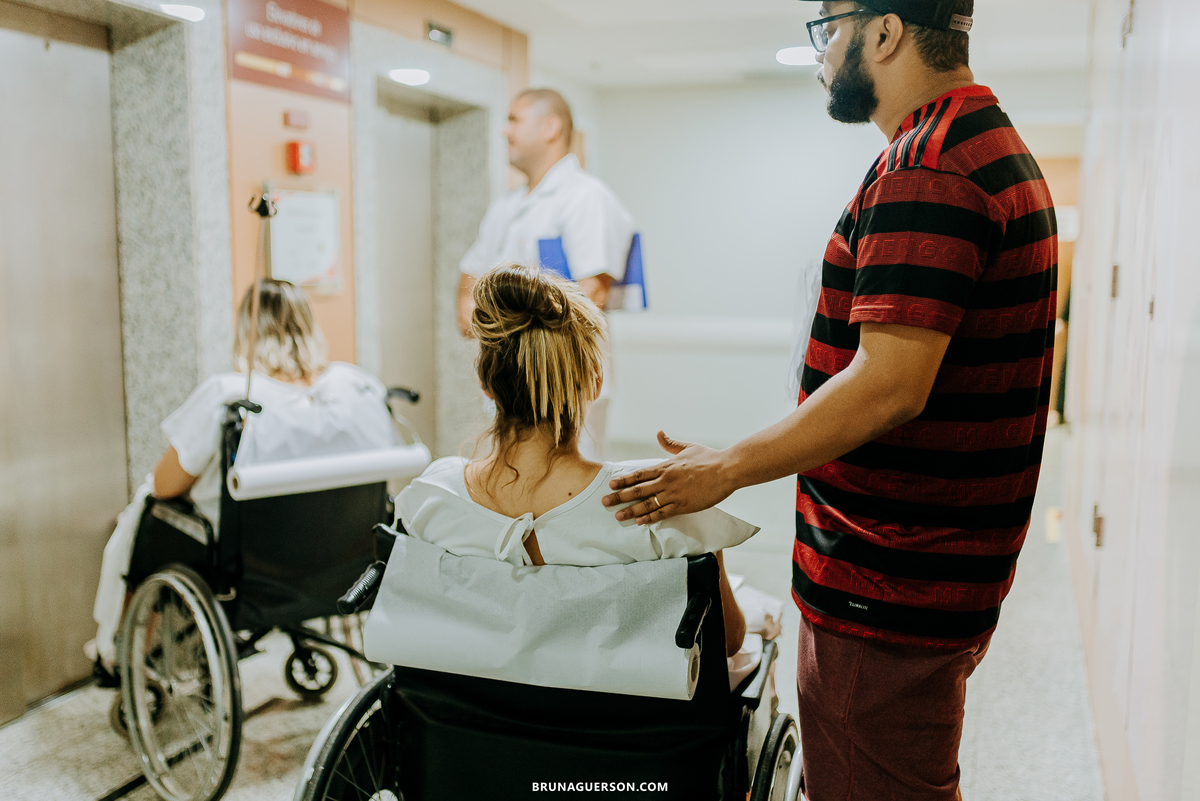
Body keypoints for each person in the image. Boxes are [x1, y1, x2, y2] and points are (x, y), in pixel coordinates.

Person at [601, 2, 1056, 799]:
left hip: (887, 583)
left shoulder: (929, 169)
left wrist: (727, 468)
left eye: (829, 29)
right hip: (922, 572)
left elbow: (889, 385)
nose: (821, 52)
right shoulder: (975, 143)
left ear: (884, 32)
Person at [401, 264, 755, 665]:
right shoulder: (661, 502)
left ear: (485, 382)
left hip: (474, 700)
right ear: (596, 381)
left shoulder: (431, 499)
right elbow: (727, 640)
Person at [89, 279, 397, 669]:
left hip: (250, 568)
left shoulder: (232, 396)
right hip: (340, 562)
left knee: (150, 519)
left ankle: (125, 656)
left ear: (246, 332)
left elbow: (166, 486)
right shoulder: (358, 388)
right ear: (309, 326)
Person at [456, 88, 637, 461]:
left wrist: (510, 330)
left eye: (514, 120)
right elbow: (469, 283)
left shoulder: (585, 197)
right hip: (507, 383)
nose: (504, 131)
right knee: (511, 479)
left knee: (567, 484)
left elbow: (592, 294)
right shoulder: (505, 207)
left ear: (550, 127)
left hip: (565, 384)